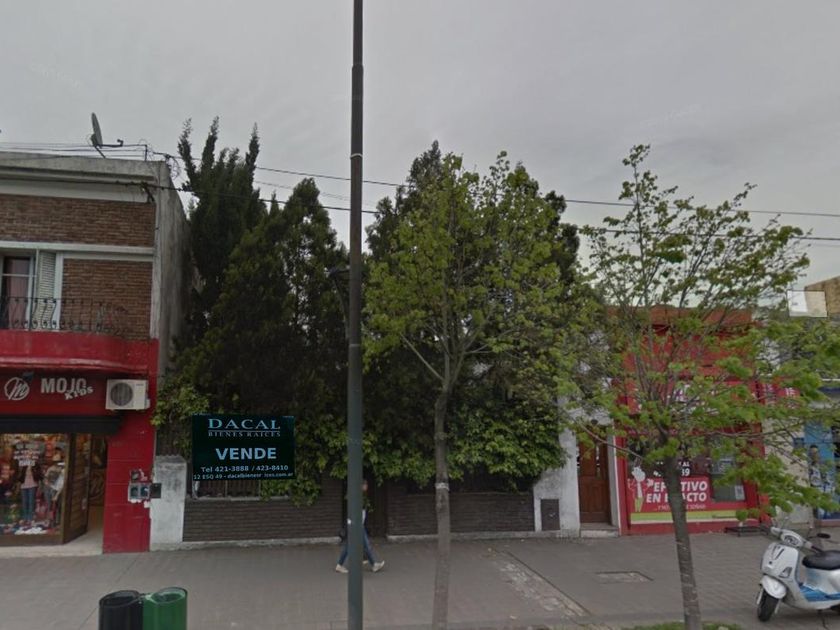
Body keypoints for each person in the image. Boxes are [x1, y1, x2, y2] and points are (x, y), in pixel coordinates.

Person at [336, 480, 384, 573]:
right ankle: (373, 564)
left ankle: (340, 564)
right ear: (361, 485)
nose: (367, 486)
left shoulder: (359, 495)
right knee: (365, 544)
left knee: (351, 545)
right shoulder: (357, 496)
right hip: (357, 525)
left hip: (357, 524)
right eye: (365, 485)